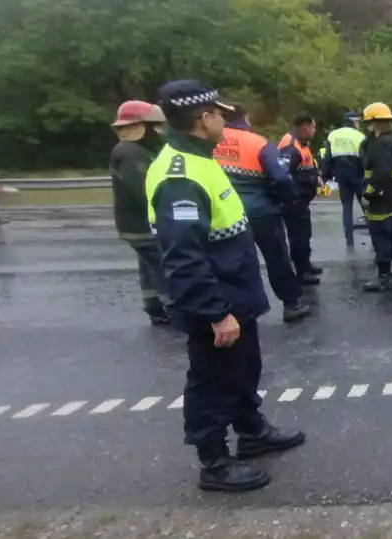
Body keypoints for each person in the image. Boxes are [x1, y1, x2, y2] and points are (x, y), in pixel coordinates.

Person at [147, 80, 305, 492]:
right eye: (219, 113)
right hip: (216, 301)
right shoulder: (180, 175)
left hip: (235, 293)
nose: (224, 118)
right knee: (213, 379)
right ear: (204, 119)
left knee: (243, 368)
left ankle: (252, 430)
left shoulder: (201, 157)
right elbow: (183, 257)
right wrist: (215, 313)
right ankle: (214, 462)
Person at [215, 104, 311, 322]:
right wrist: (284, 200)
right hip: (260, 211)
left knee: (232, 260)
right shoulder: (258, 142)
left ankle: (235, 310)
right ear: (245, 118)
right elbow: (281, 177)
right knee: (276, 257)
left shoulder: (209, 144)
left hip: (223, 212)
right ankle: (291, 304)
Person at [109, 100, 171, 325]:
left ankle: (154, 306)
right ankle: (173, 307)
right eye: (154, 125)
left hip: (136, 225)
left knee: (148, 266)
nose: (159, 131)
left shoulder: (135, 150)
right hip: (141, 225)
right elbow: (146, 190)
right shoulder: (130, 152)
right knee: (163, 265)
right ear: (139, 126)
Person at [359, 102, 392, 291]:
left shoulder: (380, 145)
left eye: (369, 123)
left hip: (381, 199)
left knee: (381, 237)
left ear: (375, 123)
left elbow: (381, 172)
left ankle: (383, 277)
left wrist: (369, 193)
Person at [278, 115, 322, 285]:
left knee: (305, 233)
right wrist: (308, 181)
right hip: (294, 201)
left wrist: (314, 176)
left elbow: (303, 167)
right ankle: (301, 271)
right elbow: (284, 175)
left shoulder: (301, 144)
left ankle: (306, 264)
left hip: (302, 200)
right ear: (305, 128)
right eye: (313, 127)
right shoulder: (290, 147)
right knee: (299, 236)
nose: (314, 131)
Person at [324, 111, 367, 247]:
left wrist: (327, 176)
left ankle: (349, 240)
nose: (359, 124)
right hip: (358, 174)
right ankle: (374, 233)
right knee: (366, 205)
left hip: (341, 175)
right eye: (358, 122)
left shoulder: (333, 135)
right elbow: (365, 158)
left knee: (347, 207)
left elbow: (327, 158)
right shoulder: (360, 136)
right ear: (354, 122)